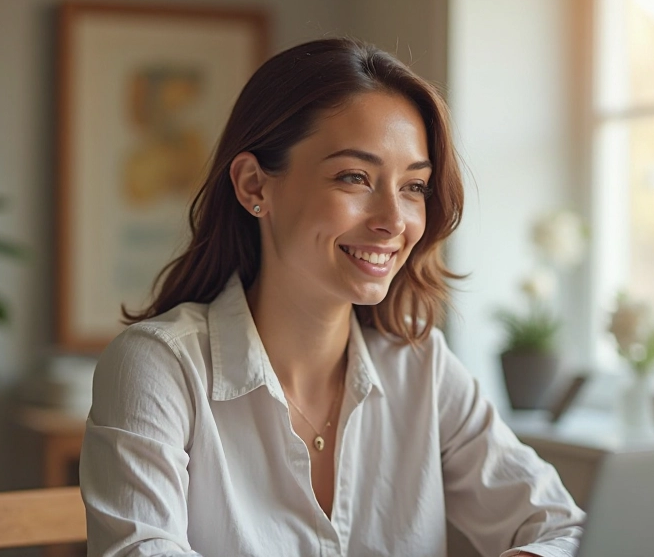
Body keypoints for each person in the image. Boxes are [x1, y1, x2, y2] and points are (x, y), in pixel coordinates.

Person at [80, 37, 585, 557]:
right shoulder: (160, 367)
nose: (393, 220)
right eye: (355, 178)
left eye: (414, 186)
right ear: (255, 185)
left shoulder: (421, 367)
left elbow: (570, 533)